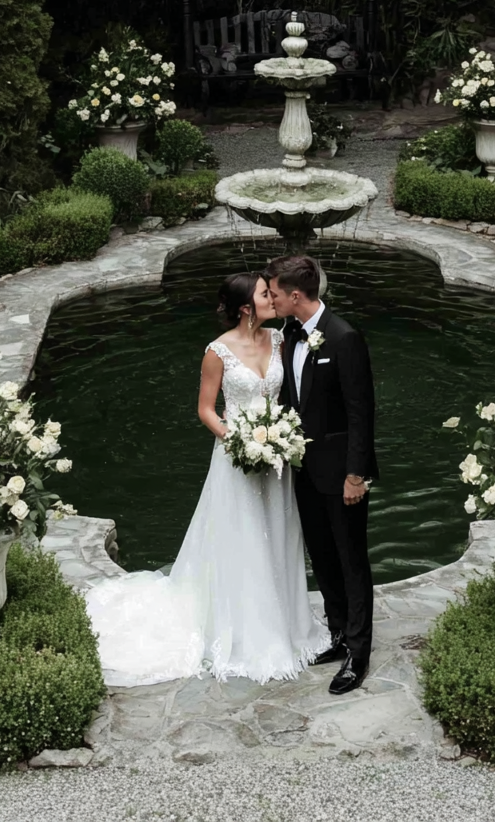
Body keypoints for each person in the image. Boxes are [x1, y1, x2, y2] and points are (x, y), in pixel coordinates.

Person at [85, 271, 329, 687]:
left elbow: (291, 396)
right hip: (237, 457)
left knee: (279, 533)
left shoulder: (281, 340)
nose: (273, 298)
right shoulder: (217, 352)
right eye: (265, 294)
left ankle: (285, 620)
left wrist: (280, 439)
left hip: (278, 459)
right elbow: (206, 409)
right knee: (242, 536)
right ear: (246, 308)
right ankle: (247, 630)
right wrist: (238, 441)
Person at [265, 254, 378, 695]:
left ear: (296, 295)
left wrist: (356, 475)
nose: (270, 299)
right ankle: (336, 634)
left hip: (342, 475)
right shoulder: (290, 335)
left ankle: (359, 652)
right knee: (323, 557)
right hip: (304, 471)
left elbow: (360, 412)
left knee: (351, 561)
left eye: (274, 293)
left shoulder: (344, 337)